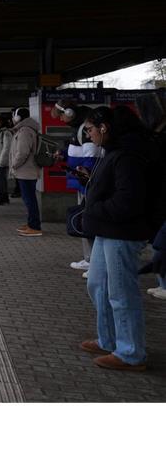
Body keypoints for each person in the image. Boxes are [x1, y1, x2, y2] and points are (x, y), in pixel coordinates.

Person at [79, 106, 161, 371]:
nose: (88, 135)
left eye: (90, 129)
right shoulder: (115, 151)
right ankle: (109, 339)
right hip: (109, 230)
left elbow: (128, 201)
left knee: (121, 292)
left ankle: (130, 353)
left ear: (104, 128)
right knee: (98, 285)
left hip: (123, 232)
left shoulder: (128, 155)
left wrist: (94, 209)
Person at [56, 99, 101, 273]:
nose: (60, 120)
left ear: (69, 113)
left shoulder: (85, 130)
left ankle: (93, 261)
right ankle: (90, 259)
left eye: (61, 116)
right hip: (82, 181)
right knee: (86, 218)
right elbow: (78, 153)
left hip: (87, 183)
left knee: (88, 219)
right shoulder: (79, 129)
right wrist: (64, 156)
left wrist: (85, 176)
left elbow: (91, 157)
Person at [9, 107, 42, 236]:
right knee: (29, 198)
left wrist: (14, 165)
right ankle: (31, 223)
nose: (12, 119)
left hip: (26, 171)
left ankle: (35, 226)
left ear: (18, 118)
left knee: (29, 199)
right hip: (26, 171)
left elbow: (23, 152)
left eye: (14, 116)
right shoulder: (26, 130)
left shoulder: (24, 131)